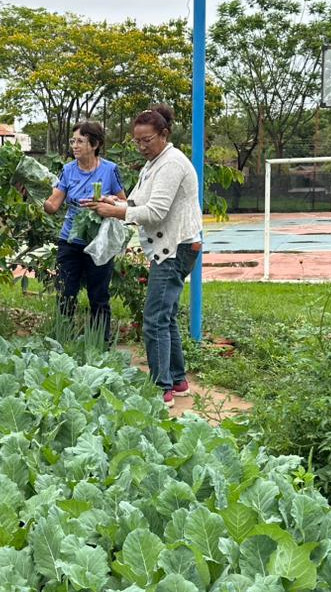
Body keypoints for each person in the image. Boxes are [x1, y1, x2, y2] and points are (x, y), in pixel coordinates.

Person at [84, 105, 202, 409]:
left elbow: (156, 211)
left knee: (154, 320)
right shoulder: (154, 163)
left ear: (164, 135)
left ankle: (161, 389)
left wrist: (117, 212)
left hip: (175, 248)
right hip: (171, 247)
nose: (141, 147)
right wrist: (110, 201)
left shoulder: (172, 163)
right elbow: (138, 199)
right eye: (137, 141)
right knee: (166, 317)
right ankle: (177, 380)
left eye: (146, 140)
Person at [42, 121, 127, 341]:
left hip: (99, 242)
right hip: (70, 241)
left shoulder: (110, 170)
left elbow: (124, 203)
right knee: (65, 294)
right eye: (73, 141)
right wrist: (37, 193)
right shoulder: (68, 170)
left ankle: (100, 344)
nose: (74, 145)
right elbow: (53, 205)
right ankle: (63, 341)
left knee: (98, 295)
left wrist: (105, 202)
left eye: (80, 141)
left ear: (95, 144)